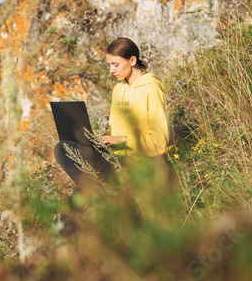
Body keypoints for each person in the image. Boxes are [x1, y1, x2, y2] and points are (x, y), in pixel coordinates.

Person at [54, 37, 169, 190]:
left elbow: (159, 141)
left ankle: (102, 197)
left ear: (132, 61)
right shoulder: (118, 90)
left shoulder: (151, 89)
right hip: (114, 158)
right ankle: (100, 196)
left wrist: (121, 139)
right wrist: (99, 139)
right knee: (66, 153)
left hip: (136, 163)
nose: (111, 71)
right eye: (109, 65)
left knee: (63, 148)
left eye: (115, 65)